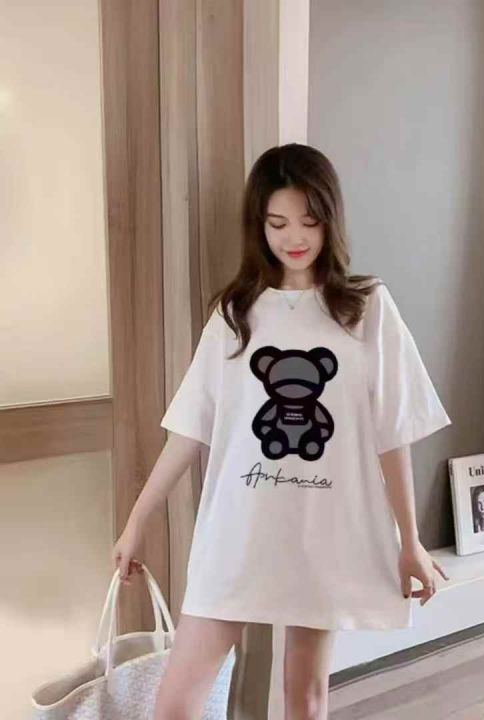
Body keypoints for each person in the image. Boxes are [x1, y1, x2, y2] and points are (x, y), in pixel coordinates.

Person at [112, 143, 452, 720]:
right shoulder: (235, 315)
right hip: (238, 532)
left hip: (322, 531)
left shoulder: (365, 309)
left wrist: (410, 541)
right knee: (175, 704)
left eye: (309, 221)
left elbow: (392, 432)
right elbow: (190, 429)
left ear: (330, 219)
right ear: (259, 225)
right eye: (278, 223)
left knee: (305, 696)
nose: (294, 237)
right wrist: (137, 520)